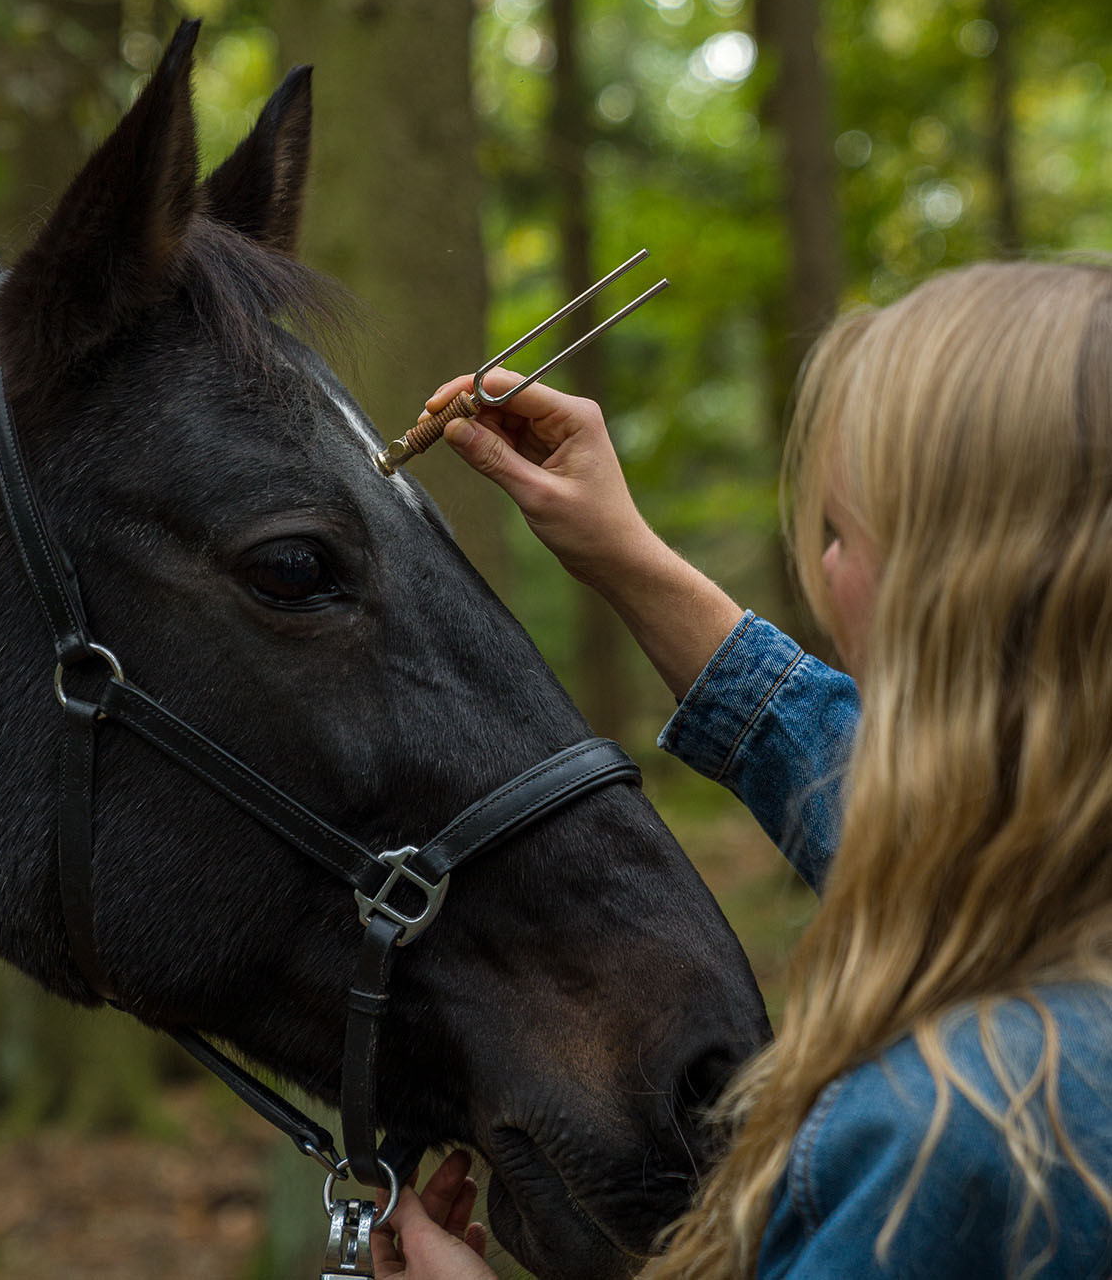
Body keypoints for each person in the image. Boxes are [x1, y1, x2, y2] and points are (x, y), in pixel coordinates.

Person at [370, 260, 1112, 1279]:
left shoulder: (959, 1131)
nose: (824, 566)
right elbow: (875, 788)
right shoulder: (1069, 888)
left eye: (838, 533)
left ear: (951, 599)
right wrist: (624, 553)